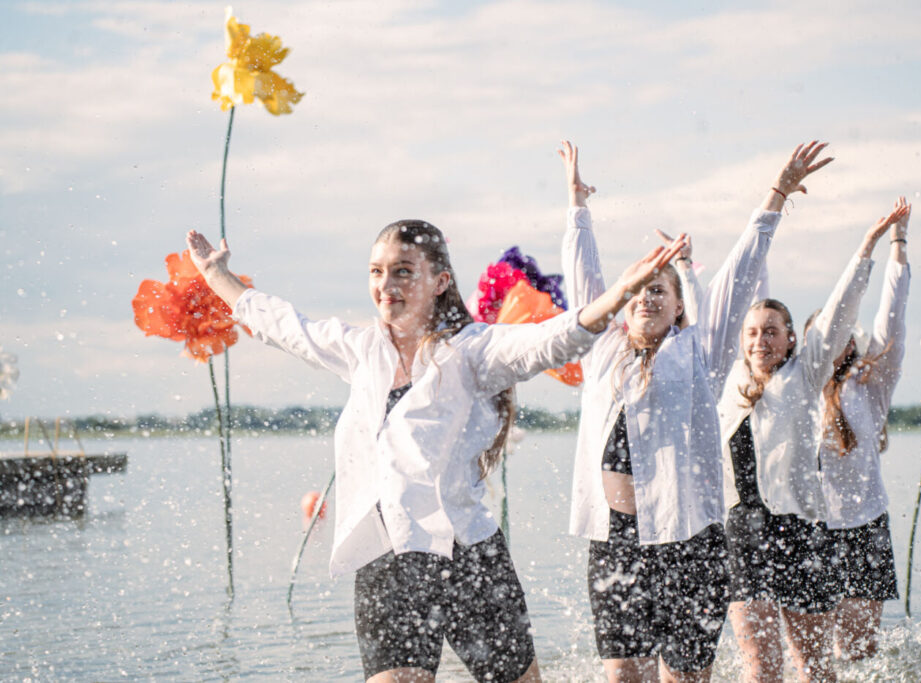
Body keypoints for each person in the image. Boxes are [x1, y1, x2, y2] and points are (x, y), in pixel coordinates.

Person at [186, 219, 686, 683]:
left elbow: (551, 340)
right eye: (377, 272)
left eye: (404, 271)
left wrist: (619, 294)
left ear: (441, 281)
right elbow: (283, 325)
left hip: (469, 557)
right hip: (386, 559)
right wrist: (216, 276)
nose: (387, 285)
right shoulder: (361, 350)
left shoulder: (472, 351)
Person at [559, 140, 832, 683]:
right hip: (615, 542)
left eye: (658, 289)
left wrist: (776, 196)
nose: (646, 297)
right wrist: (577, 207)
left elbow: (740, 271)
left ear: (679, 302)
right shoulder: (600, 348)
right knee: (622, 675)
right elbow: (582, 279)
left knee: (684, 678)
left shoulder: (700, 351)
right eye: (637, 290)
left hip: (690, 542)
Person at [717, 200, 911, 683]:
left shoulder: (820, 380)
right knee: (761, 668)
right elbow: (739, 294)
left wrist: (874, 247)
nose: (760, 340)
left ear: (792, 342)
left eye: (772, 332)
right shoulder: (733, 383)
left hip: (818, 530)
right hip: (748, 532)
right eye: (752, 333)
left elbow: (853, 313)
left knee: (830, 663)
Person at [816, 197, 911, 661]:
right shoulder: (798, 387)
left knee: (858, 652)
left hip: (865, 526)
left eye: (845, 333)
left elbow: (892, 320)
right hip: (809, 529)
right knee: (811, 656)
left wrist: (897, 244)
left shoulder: (870, 384)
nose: (839, 337)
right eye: (827, 332)